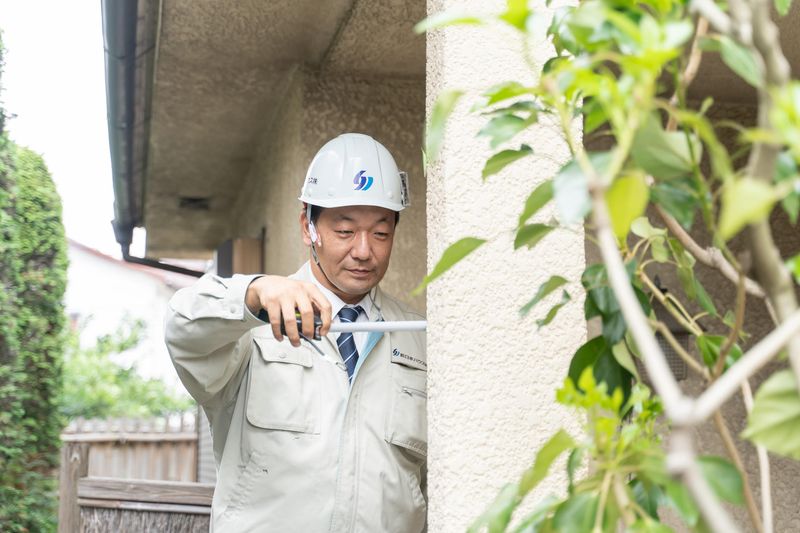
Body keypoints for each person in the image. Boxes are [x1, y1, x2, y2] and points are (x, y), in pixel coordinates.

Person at [165, 133, 427, 532]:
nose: (363, 250)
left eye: (380, 232)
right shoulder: (251, 325)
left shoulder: (418, 339)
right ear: (308, 226)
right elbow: (183, 331)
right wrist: (252, 293)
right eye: (344, 231)